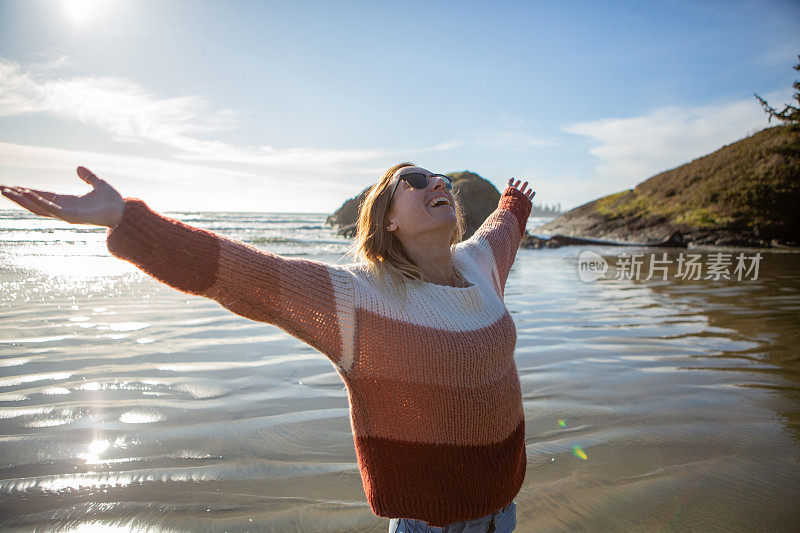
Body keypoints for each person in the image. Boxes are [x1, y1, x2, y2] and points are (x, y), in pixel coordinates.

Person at [1, 162, 535, 532]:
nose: (436, 181)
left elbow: (503, 228)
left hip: (502, 512)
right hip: (427, 524)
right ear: (388, 219)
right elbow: (248, 276)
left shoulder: (481, 263)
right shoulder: (359, 298)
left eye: (439, 177)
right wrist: (127, 220)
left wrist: (514, 202)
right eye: (414, 181)